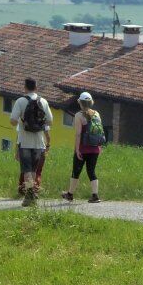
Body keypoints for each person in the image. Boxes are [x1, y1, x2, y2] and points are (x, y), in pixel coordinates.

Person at [10, 77, 52, 207]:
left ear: (25, 87)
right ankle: (32, 193)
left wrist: (23, 121)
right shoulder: (43, 101)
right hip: (39, 142)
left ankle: (29, 195)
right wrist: (38, 123)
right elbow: (50, 121)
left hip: (25, 141)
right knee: (33, 170)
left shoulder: (20, 101)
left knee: (27, 170)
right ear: (36, 87)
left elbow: (13, 120)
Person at [62, 92, 104, 203]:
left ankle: (70, 194)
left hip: (83, 148)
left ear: (80, 102)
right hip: (95, 148)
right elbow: (99, 132)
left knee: (76, 171)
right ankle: (95, 195)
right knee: (91, 171)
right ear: (91, 103)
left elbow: (78, 134)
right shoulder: (97, 114)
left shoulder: (79, 115)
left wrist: (77, 149)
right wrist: (99, 146)